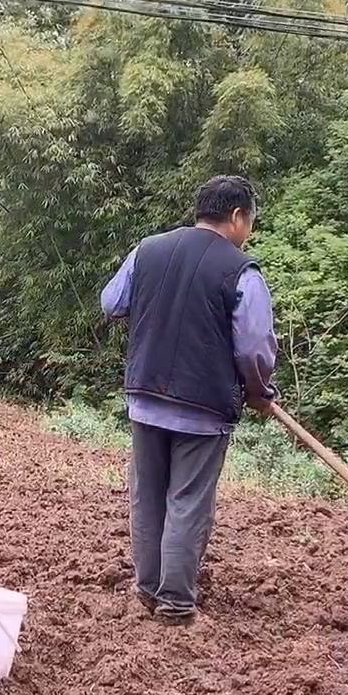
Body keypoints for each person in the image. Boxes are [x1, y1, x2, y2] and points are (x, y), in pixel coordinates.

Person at [100, 175, 279, 627]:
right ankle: (176, 603)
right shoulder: (241, 270)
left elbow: (112, 302)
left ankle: (148, 588)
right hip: (203, 407)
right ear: (237, 217)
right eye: (250, 222)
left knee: (148, 496)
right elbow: (255, 347)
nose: (249, 232)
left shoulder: (148, 250)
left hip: (145, 397)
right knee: (188, 500)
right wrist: (259, 391)